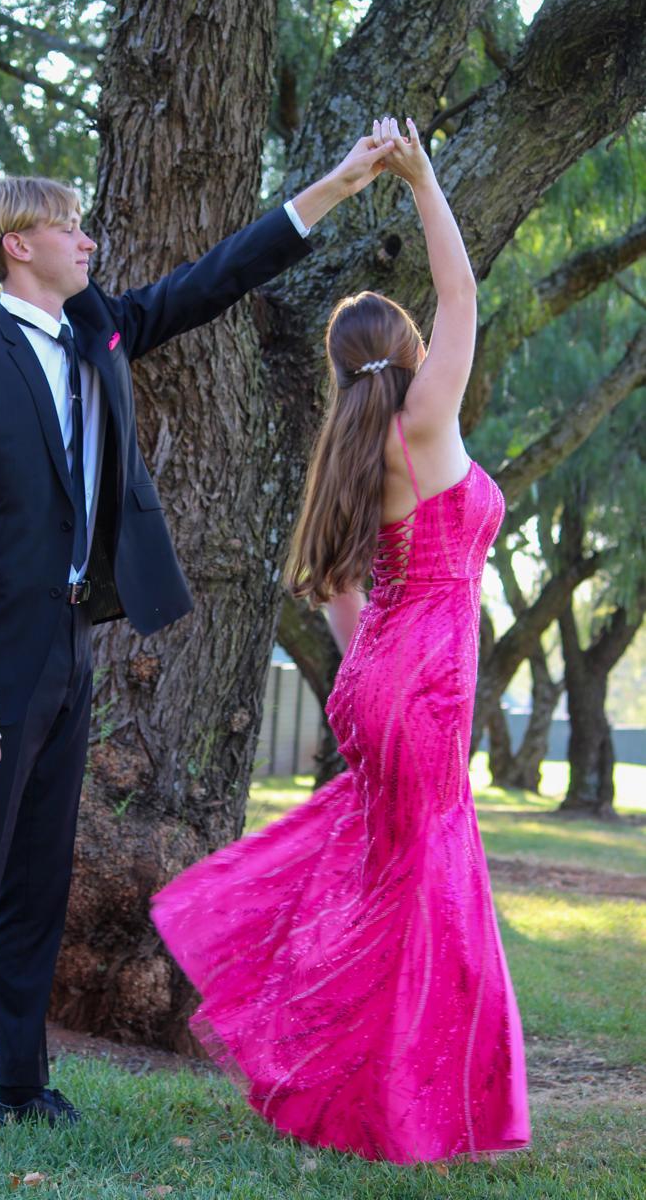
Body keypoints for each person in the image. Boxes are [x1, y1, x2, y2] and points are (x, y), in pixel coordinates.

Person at [0, 130, 396, 1139]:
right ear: (16, 245)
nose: (87, 240)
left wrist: (336, 187)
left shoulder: (99, 333)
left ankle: (24, 1086)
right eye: (69, 226)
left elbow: (214, 278)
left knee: (39, 881)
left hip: (70, 646)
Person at [152, 117, 531, 1165]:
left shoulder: (349, 450)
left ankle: (371, 1086)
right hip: (422, 680)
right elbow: (462, 293)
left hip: (376, 678)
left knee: (384, 877)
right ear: (408, 354)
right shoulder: (424, 419)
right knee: (418, 888)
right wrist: (421, 179)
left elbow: (330, 591)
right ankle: (382, 1100)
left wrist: (379, 675)